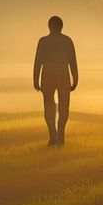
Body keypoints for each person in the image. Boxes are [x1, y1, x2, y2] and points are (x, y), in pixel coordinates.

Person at [33, 16, 78, 146]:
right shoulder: (67, 41)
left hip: (47, 77)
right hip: (63, 77)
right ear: (61, 26)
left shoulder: (43, 41)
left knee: (49, 106)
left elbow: (38, 62)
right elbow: (73, 62)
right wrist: (75, 79)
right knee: (64, 106)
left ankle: (53, 135)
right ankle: (61, 135)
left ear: (49, 26)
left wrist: (35, 80)